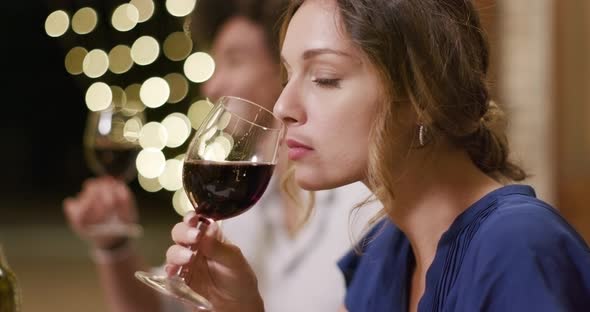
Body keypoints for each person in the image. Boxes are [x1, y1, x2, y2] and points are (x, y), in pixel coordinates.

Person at [165, 0, 590, 311]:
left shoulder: (518, 248)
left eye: (326, 78)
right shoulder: (383, 255)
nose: (282, 107)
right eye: (288, 75)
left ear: (424, 94)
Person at [63, 0, 377, 311]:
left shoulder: (368, 205)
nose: (211, 86)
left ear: (282, 69)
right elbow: (164, 307)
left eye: (235, 61)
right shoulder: (247, 195)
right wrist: (113, 247)